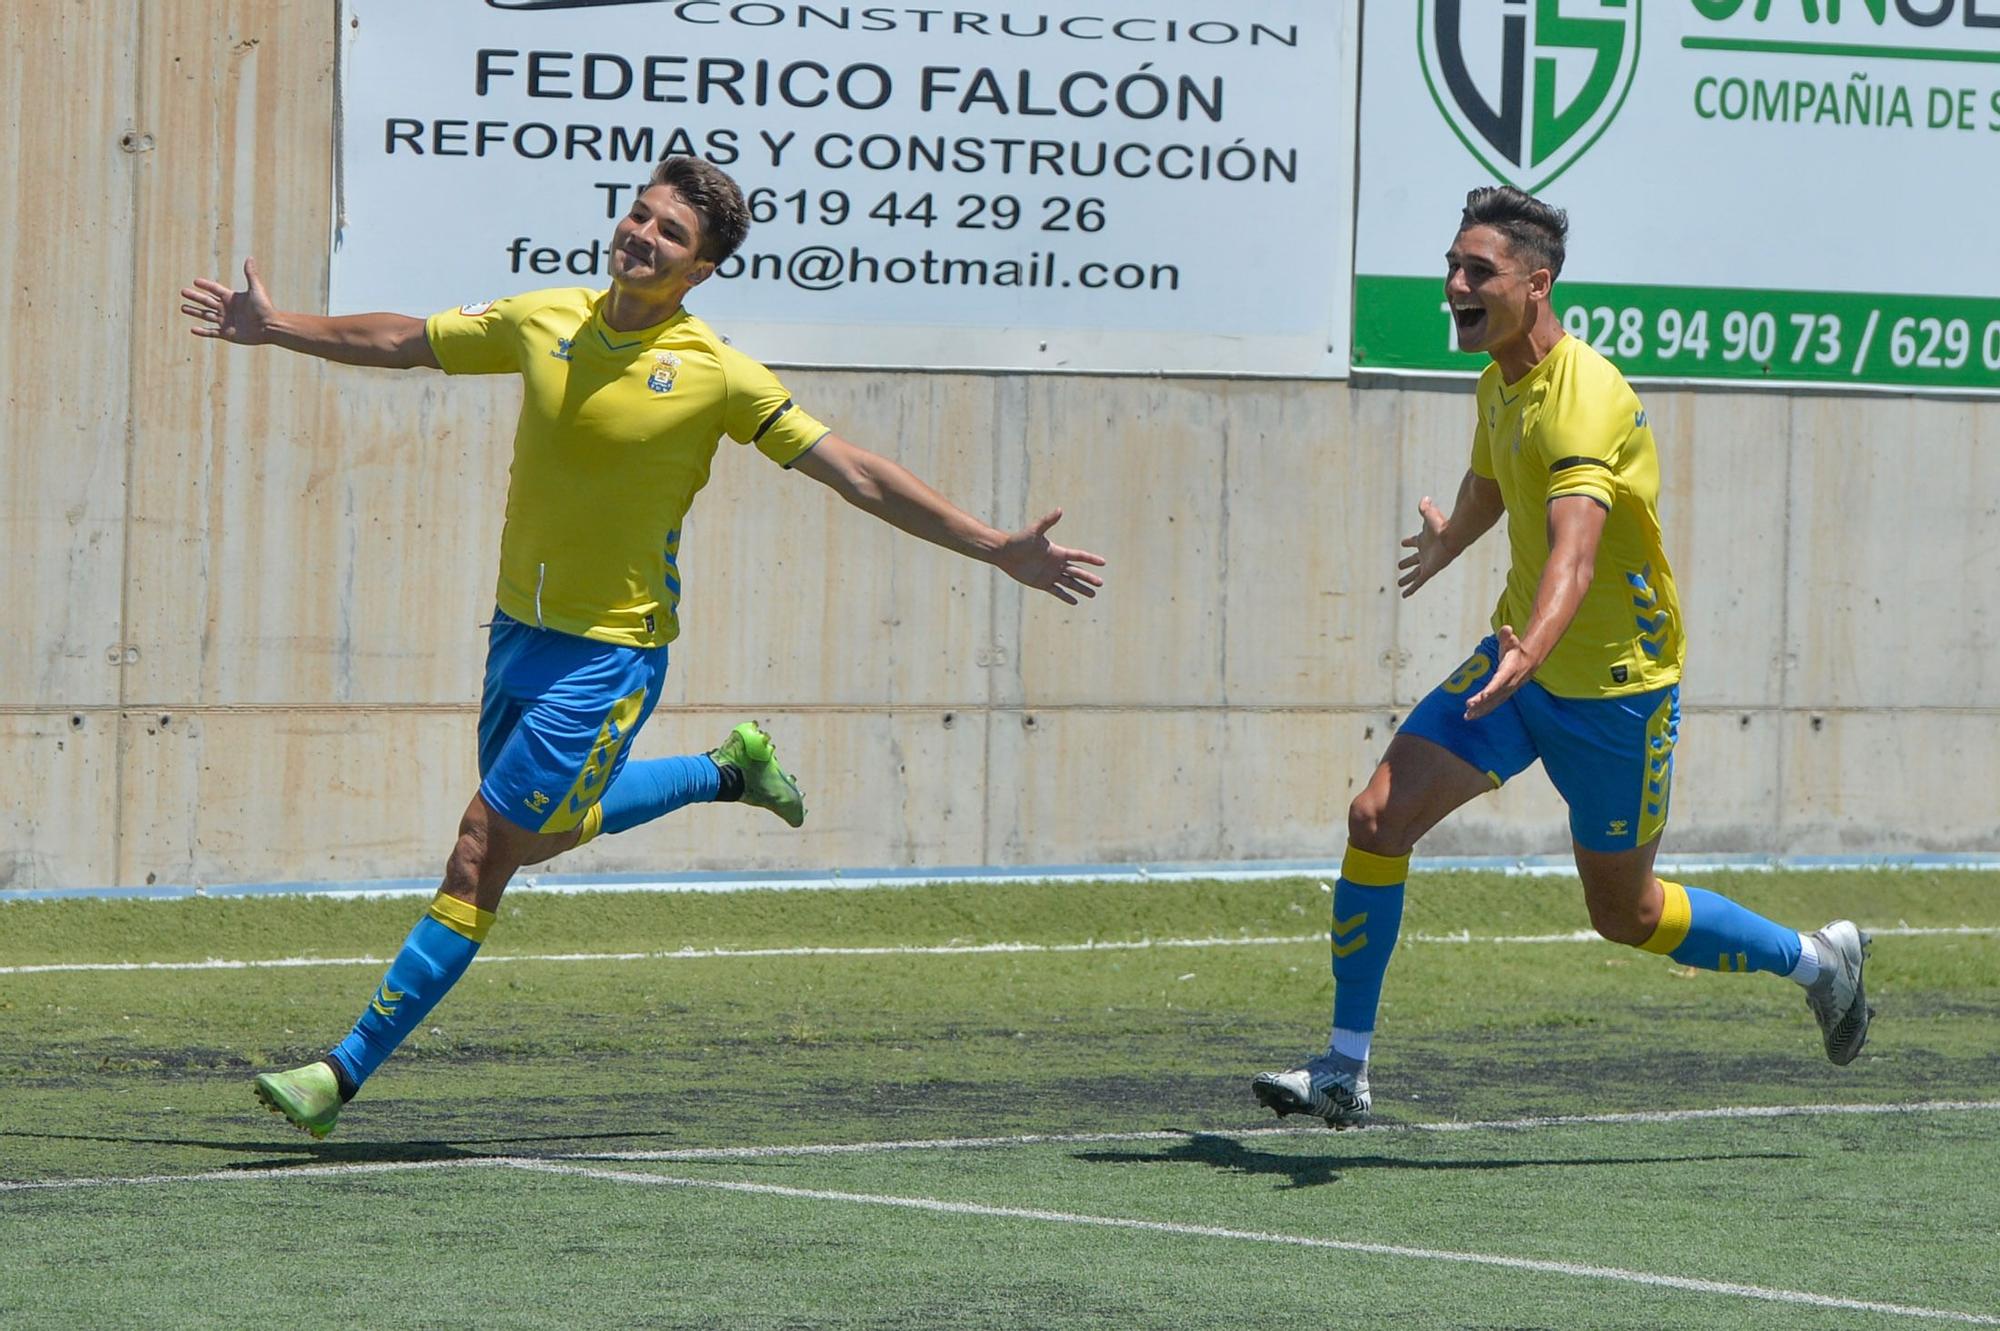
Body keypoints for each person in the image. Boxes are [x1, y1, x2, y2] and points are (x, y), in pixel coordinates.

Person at [181, 154, 1107, 1140]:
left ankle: (339, 1070)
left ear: (698, 269)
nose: (644, 237)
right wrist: (275, 326)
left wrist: (993, 547)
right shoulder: (547, 320)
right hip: (516, 637)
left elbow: (856, 474)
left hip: (609, 656)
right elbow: (407, 340)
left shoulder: (714, 372)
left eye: (671, 234)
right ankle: (725, 770)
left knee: (479, 851)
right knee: (533, 836)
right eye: (640, 216)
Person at [1252, 186, 1871, 1129]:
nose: (1453, 284)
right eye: (1451, 267)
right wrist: (1456, 536)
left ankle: (1819, 962)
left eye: (1476, 271)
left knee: (1622, 912)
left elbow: (1575, 551)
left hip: (1616, 692)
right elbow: (1495, 473)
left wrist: (1533, 649)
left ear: (1536, 284)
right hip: (1517, 663)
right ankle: (1343, 1067)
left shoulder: (1587, 397)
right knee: (1376, 817)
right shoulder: (1501, 376)